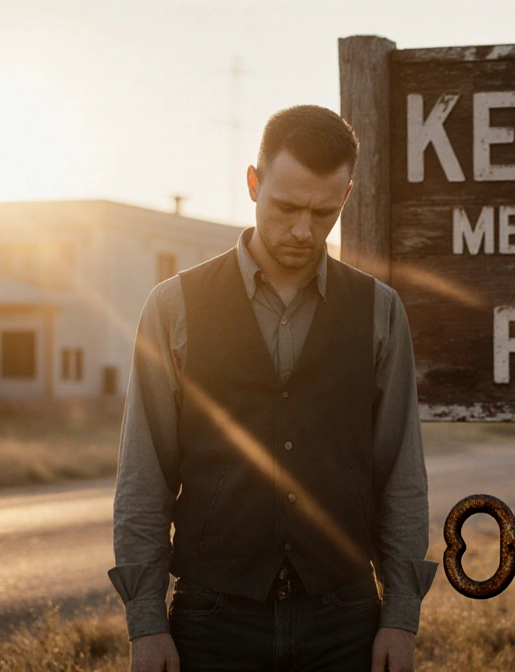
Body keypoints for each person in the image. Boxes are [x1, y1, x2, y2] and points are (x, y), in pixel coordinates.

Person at [108, 105, 436, 672]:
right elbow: (144, 475)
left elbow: (400, 475)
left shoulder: (380, 311)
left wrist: (401, 615)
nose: (305, 230)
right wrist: (146, 623)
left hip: (346, 620)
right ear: (254, 184)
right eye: (287, 207)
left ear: (347, 195)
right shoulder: (172, 307)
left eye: (324, 212)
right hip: (212, 623)